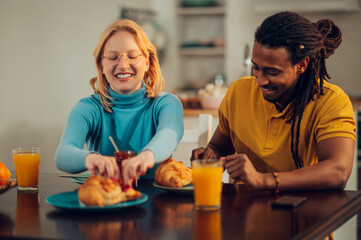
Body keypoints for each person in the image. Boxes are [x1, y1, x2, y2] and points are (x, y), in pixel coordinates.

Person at [191, 11, 356, 192]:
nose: (260, 81)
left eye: (273, 72)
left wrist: (263, 180)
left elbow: (338, 172)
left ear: (301, 65)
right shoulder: (238, 92)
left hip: (302, 211)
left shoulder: (331, 101)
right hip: (242, 210)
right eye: (256, 68)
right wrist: (211, 155)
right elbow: (219, 146)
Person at [55, 19, 184, 187]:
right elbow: (63, 155)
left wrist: (146, 156)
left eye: (132, 56)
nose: (123, 65)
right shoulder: (88, 108)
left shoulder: (167, 104)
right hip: (106, 203)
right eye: (112, 57)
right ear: (101, 65)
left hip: (158, 205)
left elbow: (168, 135)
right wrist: (91, 158)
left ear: (147, 62)